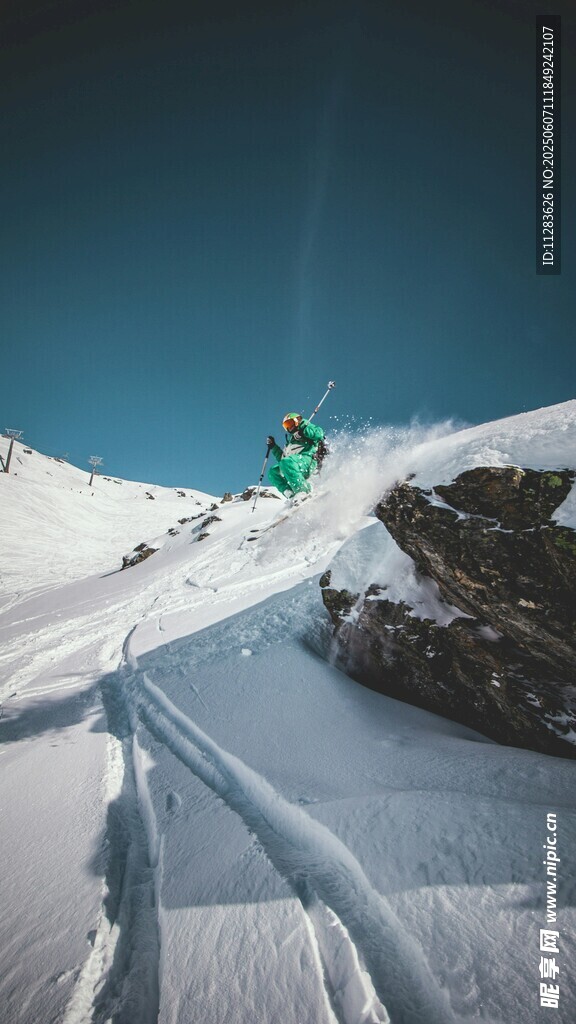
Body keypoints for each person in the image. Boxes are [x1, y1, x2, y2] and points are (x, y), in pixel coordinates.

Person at [266, 412, 325, 498]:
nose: (289, 427)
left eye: (290, 423)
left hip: (308, 460)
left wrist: (303, 430)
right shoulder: (290, 442)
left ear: (297, 420)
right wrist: (273, 447)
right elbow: (283, 460)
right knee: (273, 472)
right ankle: (291, 494)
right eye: (286, 426)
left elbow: (319, 434)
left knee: (287, 462)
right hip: (295, 464)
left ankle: (304, 492)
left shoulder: (306, 426)